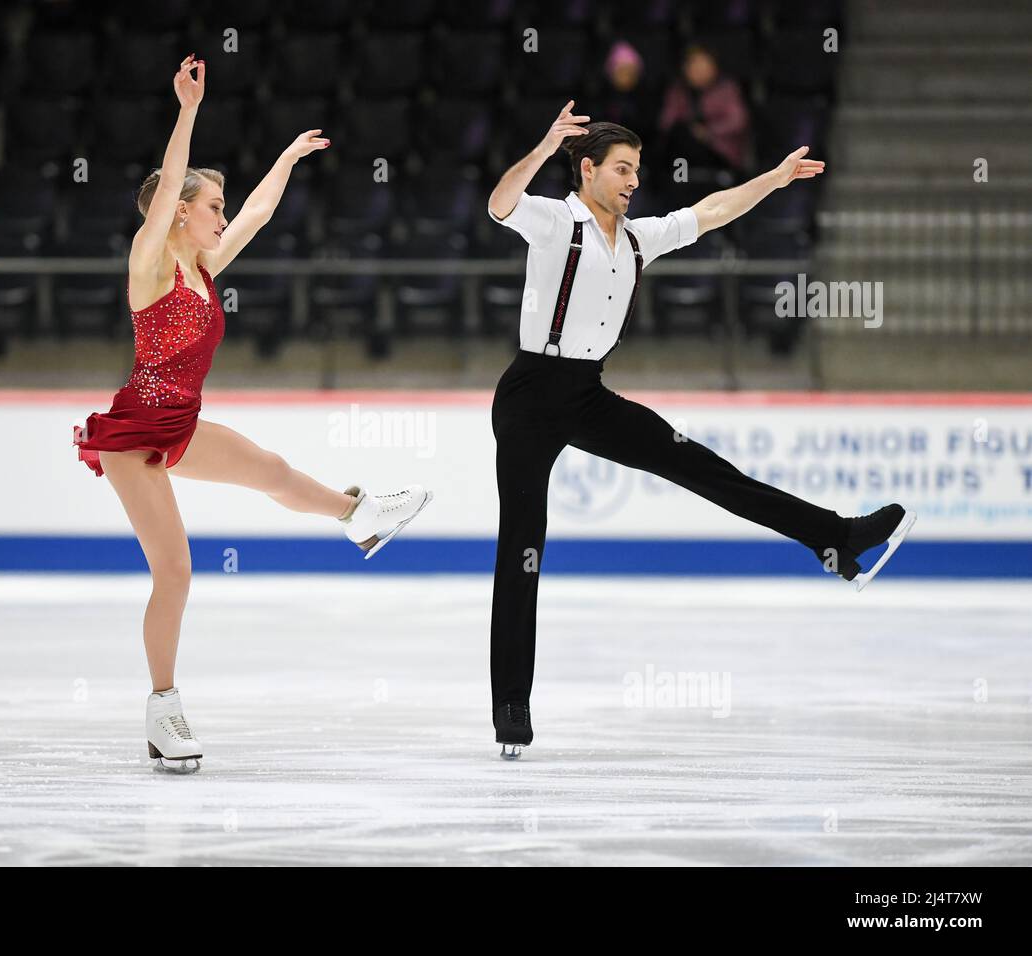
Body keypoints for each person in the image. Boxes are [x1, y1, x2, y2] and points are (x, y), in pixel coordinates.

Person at [484, 104, 915, 759]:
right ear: (588, 169)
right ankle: (512, 705)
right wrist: (544, 144)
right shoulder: (554, 220)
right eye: (622, 169)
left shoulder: (636, 238)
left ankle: (836, 539)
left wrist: (773, 179)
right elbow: (499, 202)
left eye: (638, 170)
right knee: (522, 547)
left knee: (699, 464)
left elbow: (711, 211)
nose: (633, 181)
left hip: (586, 394)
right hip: (528, 395)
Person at [73, 54, 432, 772]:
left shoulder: (204, 270)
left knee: (269, 468)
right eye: (213, 207)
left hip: (177, 425)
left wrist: (291, 155)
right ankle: (163, 710)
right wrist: (187, 109)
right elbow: (171, 182)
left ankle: (358, 518)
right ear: (179, 212)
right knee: (175, 572)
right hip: (134, 436)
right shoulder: (151, 261)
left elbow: (262, 212)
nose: (223, 216)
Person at [658, 44, 751, 185]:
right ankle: (678, 181)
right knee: (679, 134)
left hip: (719, 150)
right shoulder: (678, 91)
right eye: (694, 66)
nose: (699, 71)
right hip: (684, 151)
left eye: (704, 66)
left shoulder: (726, 89)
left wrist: (707, 132)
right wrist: (690, 129)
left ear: (714, 68)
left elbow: (738, 121)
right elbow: (666, 123)